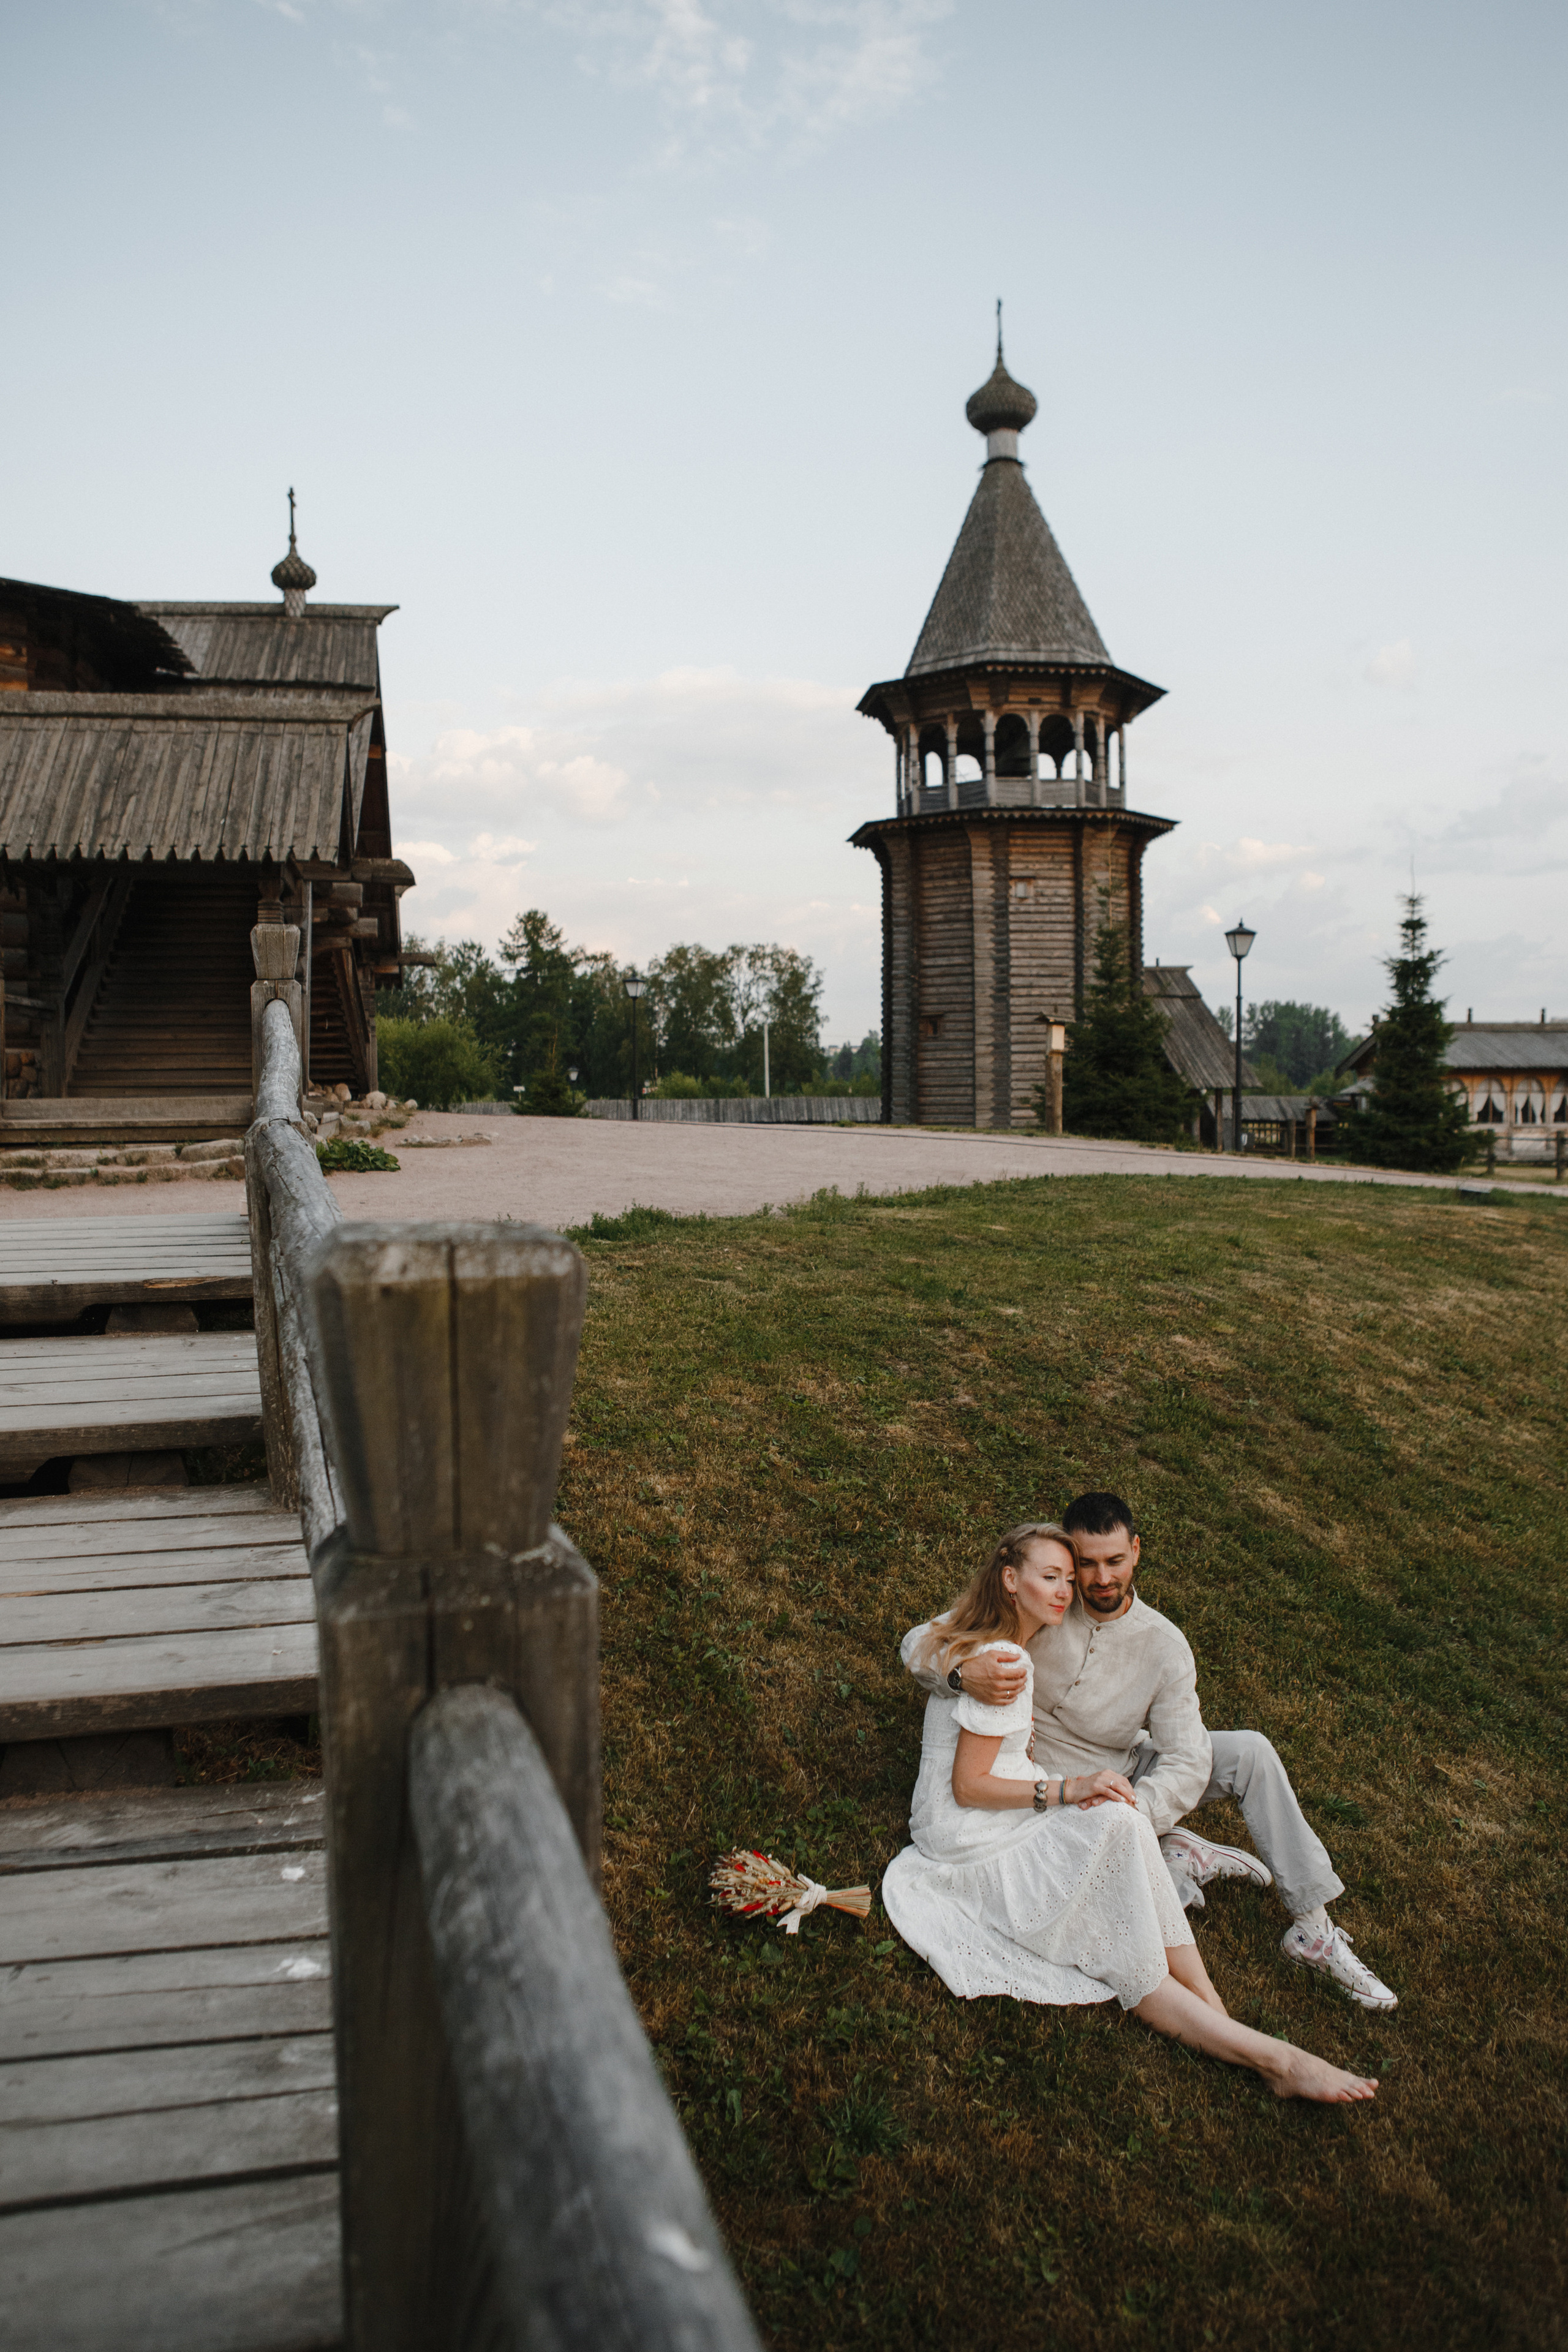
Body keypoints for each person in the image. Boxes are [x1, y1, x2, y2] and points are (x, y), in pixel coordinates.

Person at [882, 1525, 1376, 2103]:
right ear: (1014, 1578)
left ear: (1136, 1554)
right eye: (1073, 1569)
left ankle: (1290, 1936)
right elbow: (931, 1649)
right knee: (1118, 1890)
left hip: (1111, 1772)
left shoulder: (1160, 1641)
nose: (1087, 1582)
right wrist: (963, 1676)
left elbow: (1189, 1758)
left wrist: (1136, 1813)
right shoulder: (1012, 1641)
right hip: (1019, 1796)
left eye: (1103, 1565)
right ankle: (1251, 2043)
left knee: (1238, 1760)